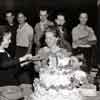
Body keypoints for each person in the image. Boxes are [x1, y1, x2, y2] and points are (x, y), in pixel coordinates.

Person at [0, 25, 33, 100]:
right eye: (8, 39)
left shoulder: (5, 52)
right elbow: (3, 64)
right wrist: (22, 58)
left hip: (10, 85)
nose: (10, 41)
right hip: (4, 89)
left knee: (29, 90)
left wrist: (23, 64)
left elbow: (10, 71)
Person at [15, 12, 34, 99]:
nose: (19, 19)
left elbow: (30, 42)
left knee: (25, 71)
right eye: (18, 17)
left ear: (25, 18)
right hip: (18, 49)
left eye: (21, 17)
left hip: (25, 50)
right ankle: (21, 91)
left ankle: (28, 94)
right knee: (18, 70)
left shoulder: (29, 28)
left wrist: (28, 53)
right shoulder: (18, 27)